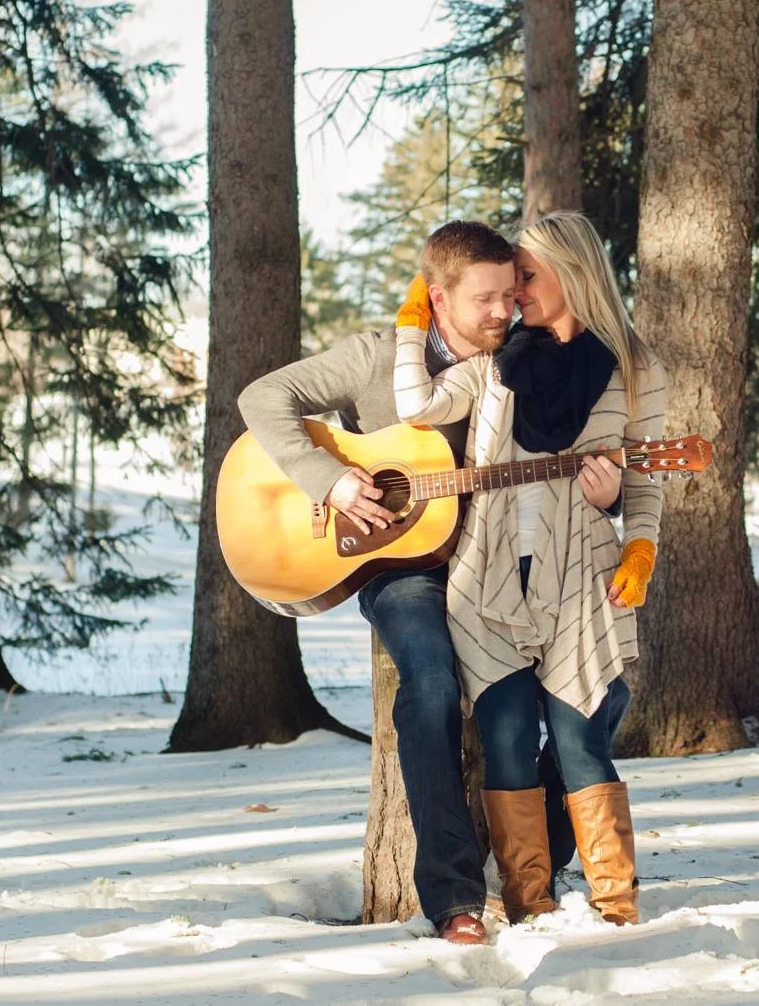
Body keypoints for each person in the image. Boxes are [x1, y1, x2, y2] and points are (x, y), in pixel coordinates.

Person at [235, 220, 623, 944]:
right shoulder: (376, 358)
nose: (504, 310)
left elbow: (573, 447)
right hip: (400, 565)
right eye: (485, 299)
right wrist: (332, 480)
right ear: (438, 298)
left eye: (510, 293)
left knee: (605, 689)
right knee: (433, 683)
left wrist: (614, 493)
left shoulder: (520, 359)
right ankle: (454, 896)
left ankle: (538, 862)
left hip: (501, 566)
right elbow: (262, 398)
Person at [393, 209, 667, 926]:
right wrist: (414, 315)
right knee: (508, 735)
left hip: (583, 576)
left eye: (526, 276)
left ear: (571, 275)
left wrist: (638, 546)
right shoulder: (496, 364)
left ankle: (616, 902)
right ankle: (529, 903)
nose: (515, 293)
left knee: (579, 734)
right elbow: (416, 405)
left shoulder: (635, 369)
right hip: (485, 578)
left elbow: (647, 480)